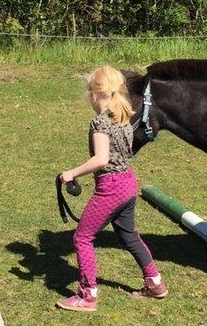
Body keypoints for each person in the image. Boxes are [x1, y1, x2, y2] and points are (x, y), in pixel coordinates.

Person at [56, 65, 167, 311]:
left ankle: (87, 296)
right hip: (128, 182)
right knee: (129, 235)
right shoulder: (123, 117)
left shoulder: (100, 123)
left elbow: (101, 159)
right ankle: (155, 282)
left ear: (95, 95)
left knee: (82, 237)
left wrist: (71, 173)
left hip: (111, 187)